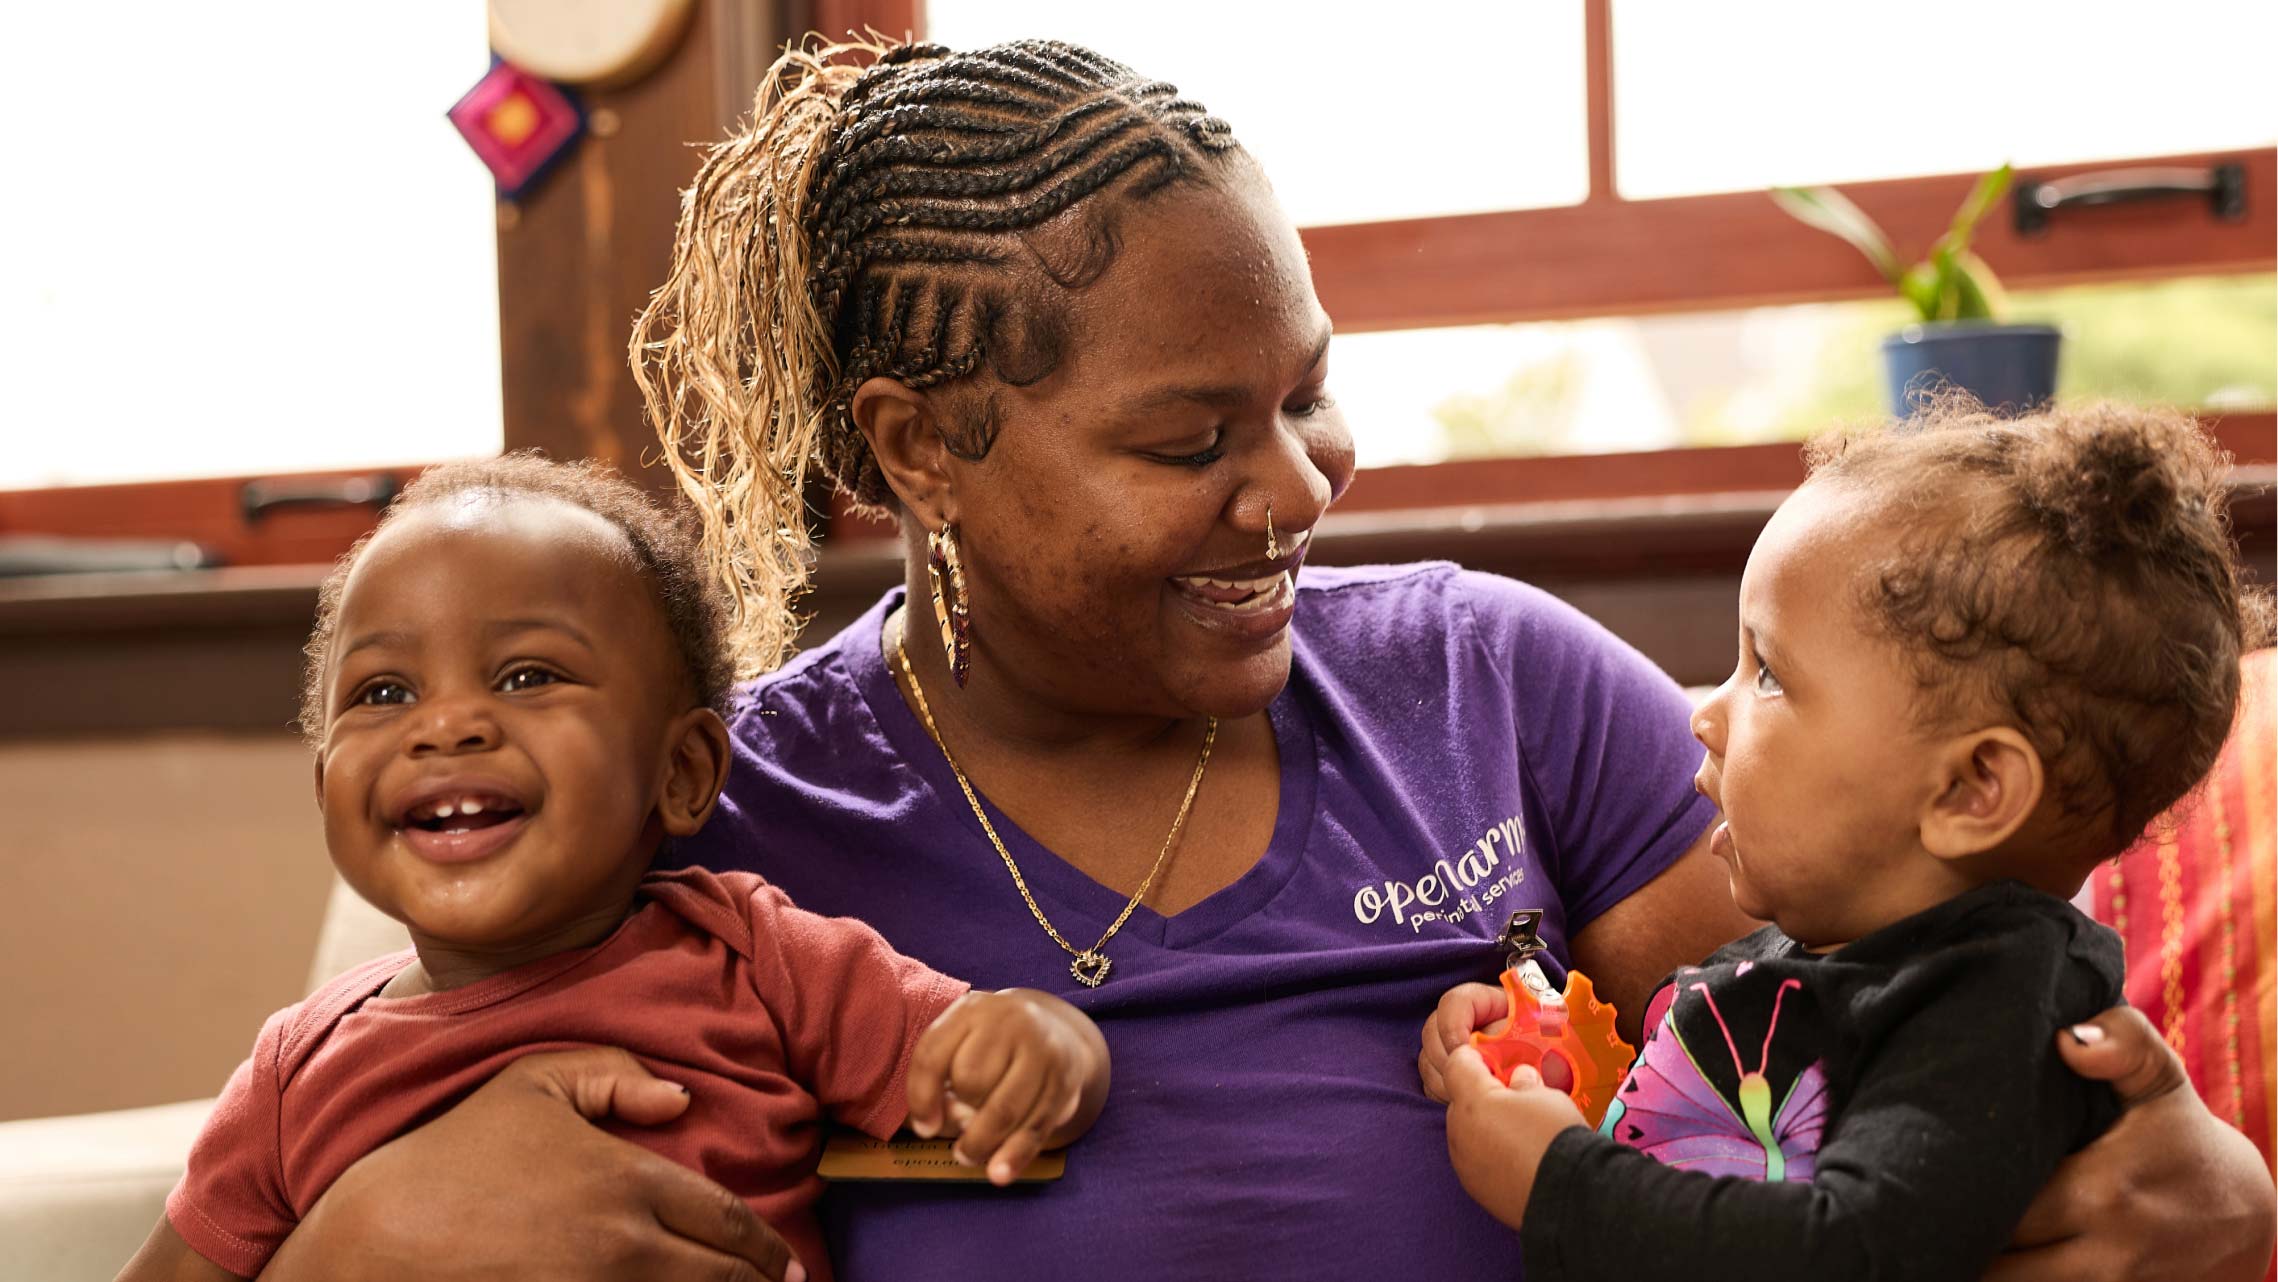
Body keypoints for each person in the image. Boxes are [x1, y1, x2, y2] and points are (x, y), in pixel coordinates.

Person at [250, 37, 2278, 1281]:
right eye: (1188, 438)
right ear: (919, 448)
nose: (1300, 483)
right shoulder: (711, 807)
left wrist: (2181, 1173)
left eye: (1305, 393)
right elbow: (374, 1107)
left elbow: (1871, 1041)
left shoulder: (1491, 685)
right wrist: (350, 1243)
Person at [115, 457, 1109, 1282]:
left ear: (682, 774)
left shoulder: (750, 954)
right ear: (325, 783)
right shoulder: (295, 1073)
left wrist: (1046, 1046)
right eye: (382, 691)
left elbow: (975, 1049)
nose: (446, 726)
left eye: (526, 675)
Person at [1423, 403, 2275, 1280]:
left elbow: (1842, 1253)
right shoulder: (1823, 954)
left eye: (1768, 674)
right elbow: (1706, 1146)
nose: (1706, 716)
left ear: (1972, 788)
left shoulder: (1984, 1017)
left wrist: (1559, 1183)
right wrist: (1538, 1058)